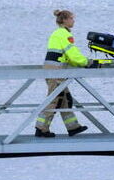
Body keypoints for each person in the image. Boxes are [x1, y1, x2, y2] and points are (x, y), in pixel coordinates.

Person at [35, 9, 91, 138]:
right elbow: (73, 55)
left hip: (53, 69)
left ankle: (73, 127)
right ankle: (40, 128)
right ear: (65, 20)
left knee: (65, 99)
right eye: (71, 18)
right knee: (53, 99)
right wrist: (87, 62)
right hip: (56, 71)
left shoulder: (58, 33)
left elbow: (68, 56)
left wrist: (80, 62)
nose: (73, 21)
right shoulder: (65, 35)